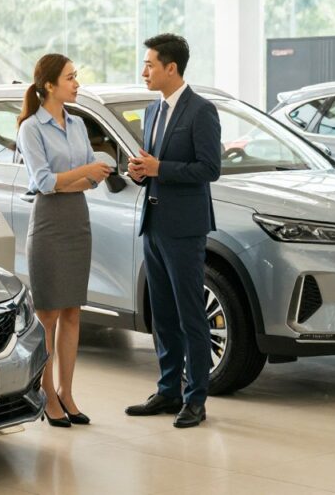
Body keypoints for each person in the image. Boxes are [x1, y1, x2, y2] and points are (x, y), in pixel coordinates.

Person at [124, 34, 221, 428]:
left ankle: (195, 399)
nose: (143, 71)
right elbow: (152, 166)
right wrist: (139, 172)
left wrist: (160, 168)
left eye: (149, 64)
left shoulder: (201, 111)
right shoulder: (151, 111)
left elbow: (209, 169)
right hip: (154, 224)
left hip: (185, 229)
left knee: (190, 316)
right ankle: (168, 391)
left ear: (171, 68)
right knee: (162, 315)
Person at [16, 53, 112, 428]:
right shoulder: (31, 128)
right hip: (49, 223)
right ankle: (47, 393)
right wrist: (83, 173)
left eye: (77, 77)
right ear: (50, 85)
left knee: (73, 312)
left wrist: (74, 177)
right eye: (71, 78)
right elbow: (43, 182)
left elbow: (91, 179)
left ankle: (68, 392)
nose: (77, 83)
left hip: (77, 219)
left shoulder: (75, 124)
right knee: (49, 315)